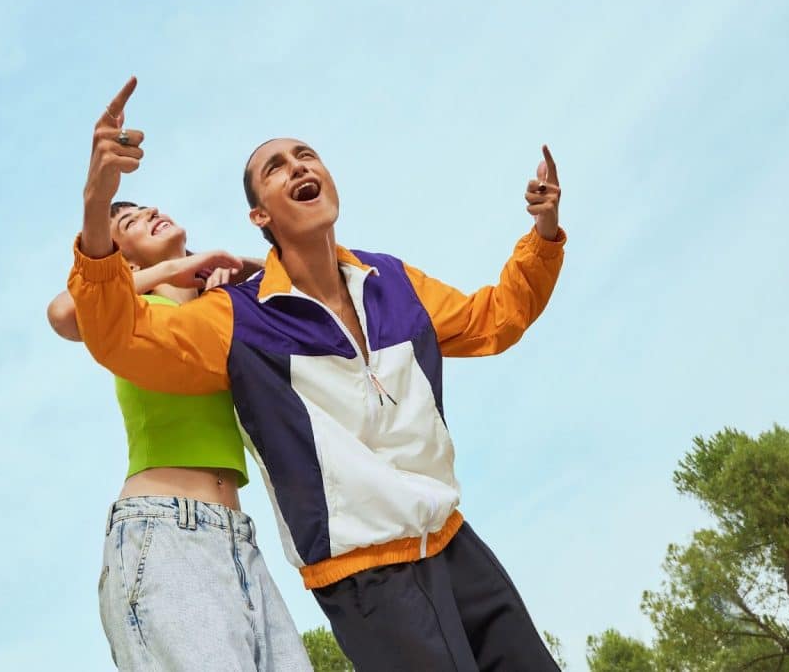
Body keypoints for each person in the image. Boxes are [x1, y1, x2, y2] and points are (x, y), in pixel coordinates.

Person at [70, 76, 566, 671]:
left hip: (455, 543)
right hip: (366, 576)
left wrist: (542, 236)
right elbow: (117, 334)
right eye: (276, 166)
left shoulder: (392, 282)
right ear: (259, 213)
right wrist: (98, 202)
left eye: (306, 154)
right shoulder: (237, 318)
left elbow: (497, 319)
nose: (298, 166)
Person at [49, 200, 311, 667]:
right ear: (124, 262)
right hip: (164, 534)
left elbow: (306, 284)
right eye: (131, 223)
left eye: (151, 209)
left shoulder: (221, 315)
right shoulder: (130, 314)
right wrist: (174, 267)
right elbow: (64, 311)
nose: (150, 214)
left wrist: (235, 264)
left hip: (239, 541)